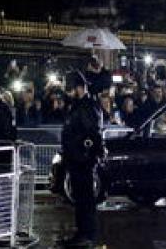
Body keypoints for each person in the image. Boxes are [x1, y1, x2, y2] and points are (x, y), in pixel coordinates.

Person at [60, 72, 103, 248]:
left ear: (79, 88)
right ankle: (82, 233)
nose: (68, 93)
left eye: (70, 89)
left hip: (82, 161)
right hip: (77, 160)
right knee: (81, 199)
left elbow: (91, 136)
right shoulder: (79, 105)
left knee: (85, 199)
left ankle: (87, 235)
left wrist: (84, 156)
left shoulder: (86, 107)